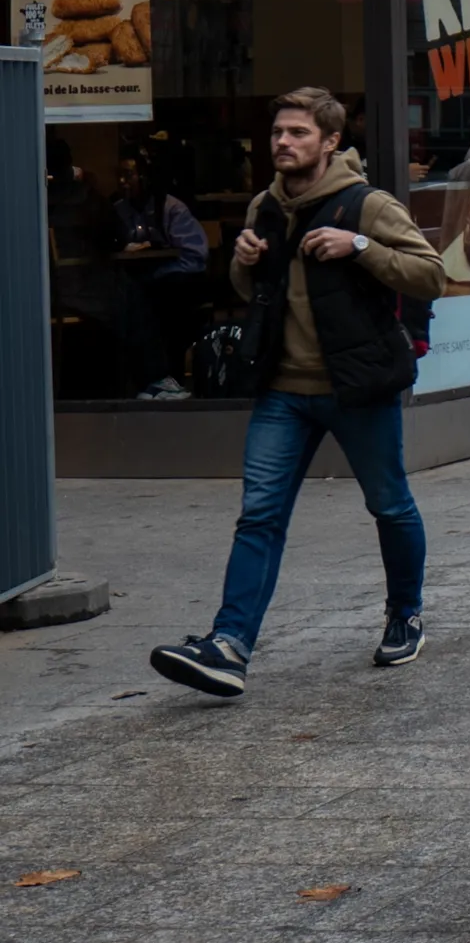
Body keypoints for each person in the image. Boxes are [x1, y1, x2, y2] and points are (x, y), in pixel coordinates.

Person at [150, 89, 443, 697]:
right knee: (259, 515)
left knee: (389, 504)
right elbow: (251, 288)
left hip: (356, 387)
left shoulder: (366, 204)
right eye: (279, 132)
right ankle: (229, 646)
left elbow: (430, 273)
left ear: (331, 141)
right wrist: (244, 259)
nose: (283, 142)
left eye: (298, 133)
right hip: (282, 389)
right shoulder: (264, 205)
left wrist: (359, 247)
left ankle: (405, 614)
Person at [112, 147, 210, 397]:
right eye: (119, 175)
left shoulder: (171, 208)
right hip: (138, 278)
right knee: (126, 300)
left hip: (175, 277)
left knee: (163, 304)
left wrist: (156, 270)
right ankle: (143, 379)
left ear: (144, 177)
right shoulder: (119, 209)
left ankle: (166, 377)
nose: (123, 182)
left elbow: (195, 256)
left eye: (129, 175)